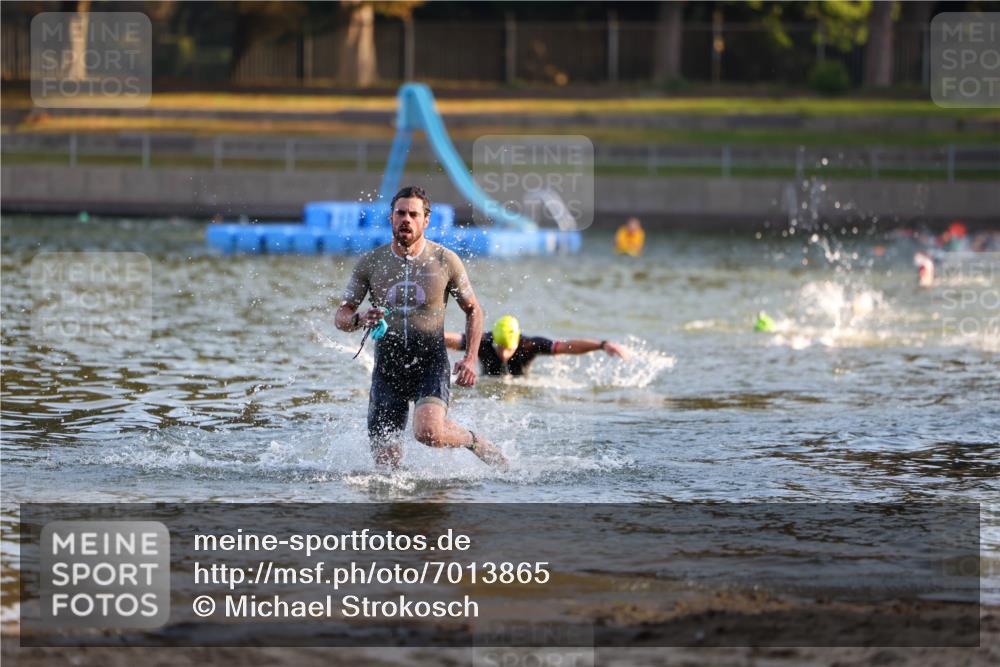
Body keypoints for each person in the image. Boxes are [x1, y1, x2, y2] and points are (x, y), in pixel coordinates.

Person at [336, 186, 507, 470]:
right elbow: (342, 315)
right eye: (400, 213)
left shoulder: (445, 261)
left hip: (430, 363)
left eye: (413, 214)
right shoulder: (371, 263)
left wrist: (470, 357)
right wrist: (359, 319)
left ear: (425, 220)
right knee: (386, 470)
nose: (406, 219)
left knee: (428, 433)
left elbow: (474, 309)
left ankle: (472, 440)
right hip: (387, 368)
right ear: (391, 218)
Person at [445, 315, 629, 377]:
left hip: (520, 386)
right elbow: (450, 339)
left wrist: (602, 345)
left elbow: (567, 346)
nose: (503, 353)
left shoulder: (530, 344)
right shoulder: (483, 341)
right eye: (499, 347)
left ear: (517, 342)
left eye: (508, 348)